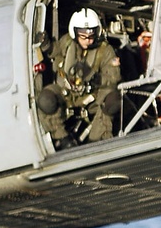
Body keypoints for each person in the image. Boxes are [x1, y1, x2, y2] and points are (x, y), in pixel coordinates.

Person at [36, 8, 122, 149]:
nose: (87, 40)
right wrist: (46, 44)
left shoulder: (105, 51)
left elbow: (113, 76)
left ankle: (96, 140)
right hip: (67, 93)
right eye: (83, 36)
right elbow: (55, 50)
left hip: (92, 98)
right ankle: (62, 137)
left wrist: (97, 80)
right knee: (46, 99)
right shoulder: (68, 42)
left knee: (112, 100)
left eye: (91, 36)